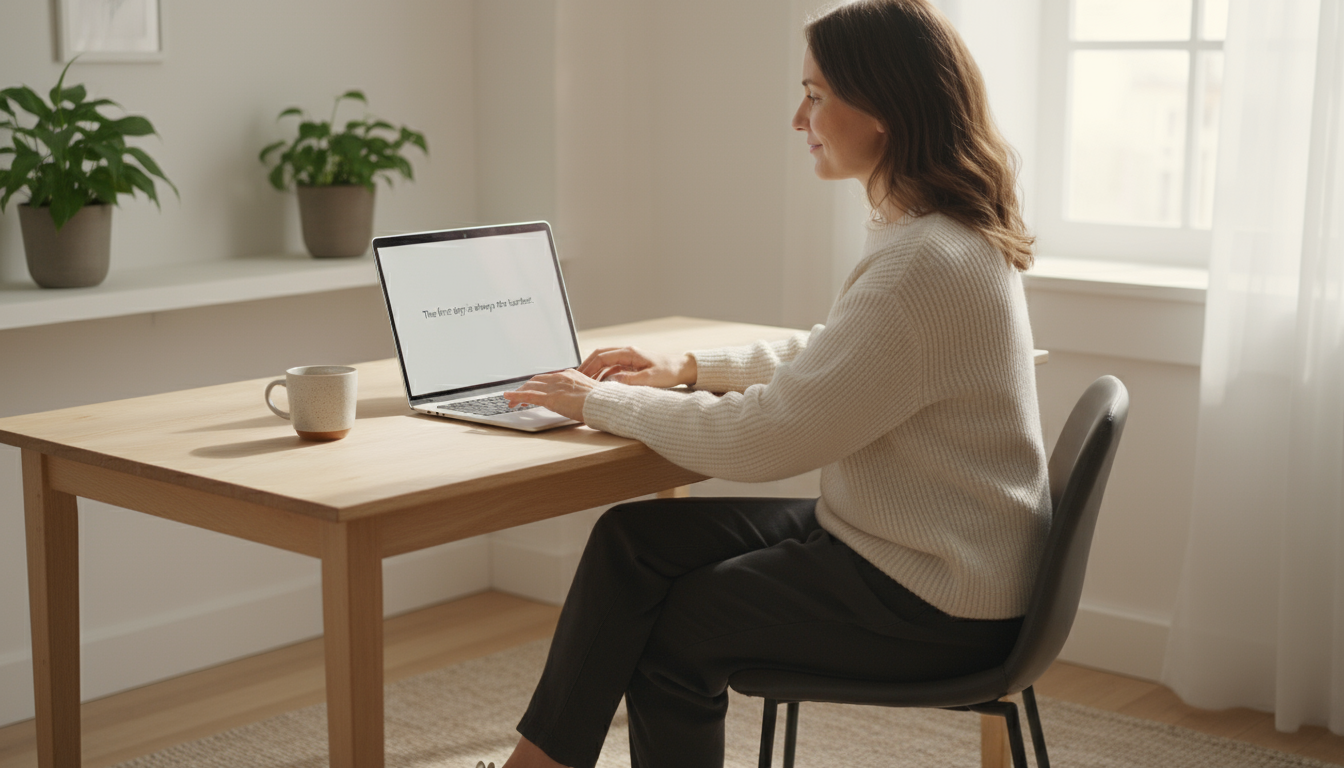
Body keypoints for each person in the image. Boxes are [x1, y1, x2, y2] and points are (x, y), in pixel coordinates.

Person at [496, 1, 1048, 766]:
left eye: (816, 94)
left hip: (934, 594)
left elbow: (766, 437)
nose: (798, 117)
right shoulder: (935, 234)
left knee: (676, 631)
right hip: (921, 546)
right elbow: (835, 357)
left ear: (882, 107)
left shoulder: (922, 265)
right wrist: (690, 369)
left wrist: (601, 401)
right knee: (633, 543)